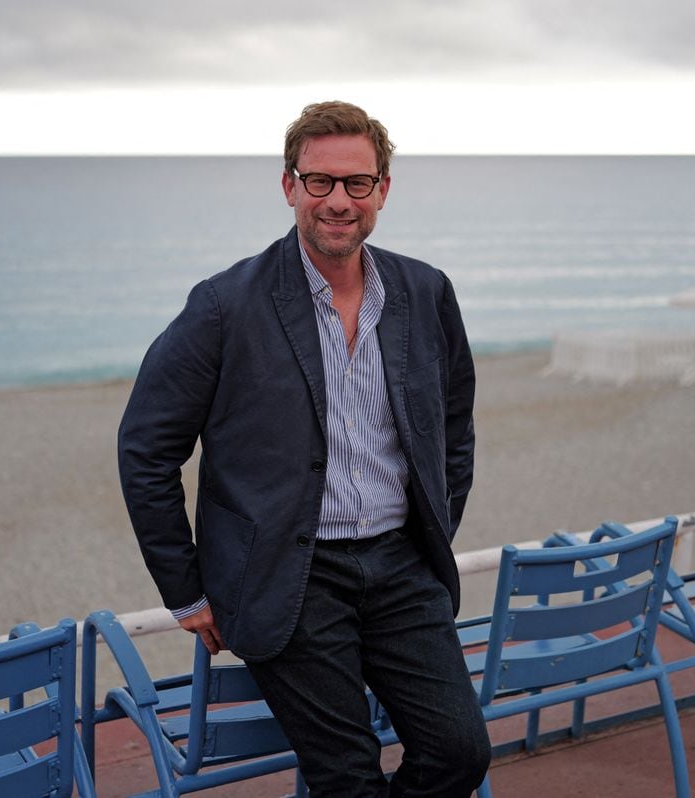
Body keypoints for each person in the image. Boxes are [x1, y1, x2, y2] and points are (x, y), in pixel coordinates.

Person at [118, 100, 490, 796]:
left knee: (461, 752)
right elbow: (145, 448)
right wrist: (186, 589)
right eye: (320, 182)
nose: (338, 202)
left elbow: (454, 426)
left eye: (357, 183)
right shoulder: (224, 305)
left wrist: (433, 528)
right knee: (345, 776)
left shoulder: (425, 291)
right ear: (290, 185)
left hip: (400, 567)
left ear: (383, 189)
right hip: (291, 576)